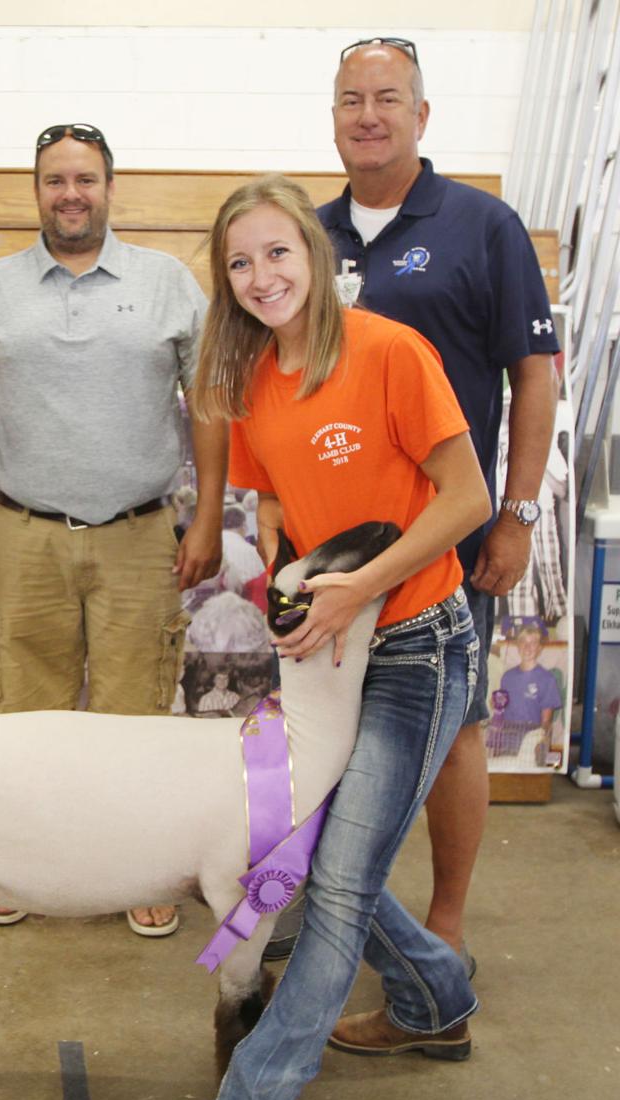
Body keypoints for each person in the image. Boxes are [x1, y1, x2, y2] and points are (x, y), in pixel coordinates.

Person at [193, 174, 490, 1100]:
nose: (260, 275)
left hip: (417, 643)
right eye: (240, 262)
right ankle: (436, 994)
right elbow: (276, 501)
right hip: (326, 646)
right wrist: (292, 589)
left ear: (314, 257)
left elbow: (464, 498)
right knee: (324, 860)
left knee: (339, 882)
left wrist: (362, 588)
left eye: (277, 252)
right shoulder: (253, 381)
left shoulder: (391, 351)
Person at [0, 123, 227, 935]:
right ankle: (21, 864)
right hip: (23, 532)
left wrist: (205, 515)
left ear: (109, 187)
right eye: (56, 180)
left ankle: (140, 868)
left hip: (140, 535)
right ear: (36, 191)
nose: (72, 194)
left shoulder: (169, 283)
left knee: (135, 715)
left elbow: (209, 406)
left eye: (86, 180)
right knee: (27, 718)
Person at [314, 38, 558, 983]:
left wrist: (519, 513)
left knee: (454, 730)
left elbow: (533, 378)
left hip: (449, 540)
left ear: (423, 114)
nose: (367, 114)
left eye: (387, 97)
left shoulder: (484, 226)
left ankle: (444, 927)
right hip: (330, 550)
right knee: (331, 726)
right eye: (349, 99)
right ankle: (333, 920)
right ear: (331, 117)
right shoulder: (308, 230)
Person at [489, 623, 560, 757]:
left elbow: (546, 722)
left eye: (533, 643)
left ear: (539, 648)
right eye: (523, 642)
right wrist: (494, 703)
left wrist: (541, 745)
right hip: (506, 741)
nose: (527, 647)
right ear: (518, 646)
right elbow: (500, 709)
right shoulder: (507, 676)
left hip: (530, 744)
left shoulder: (547, 679)